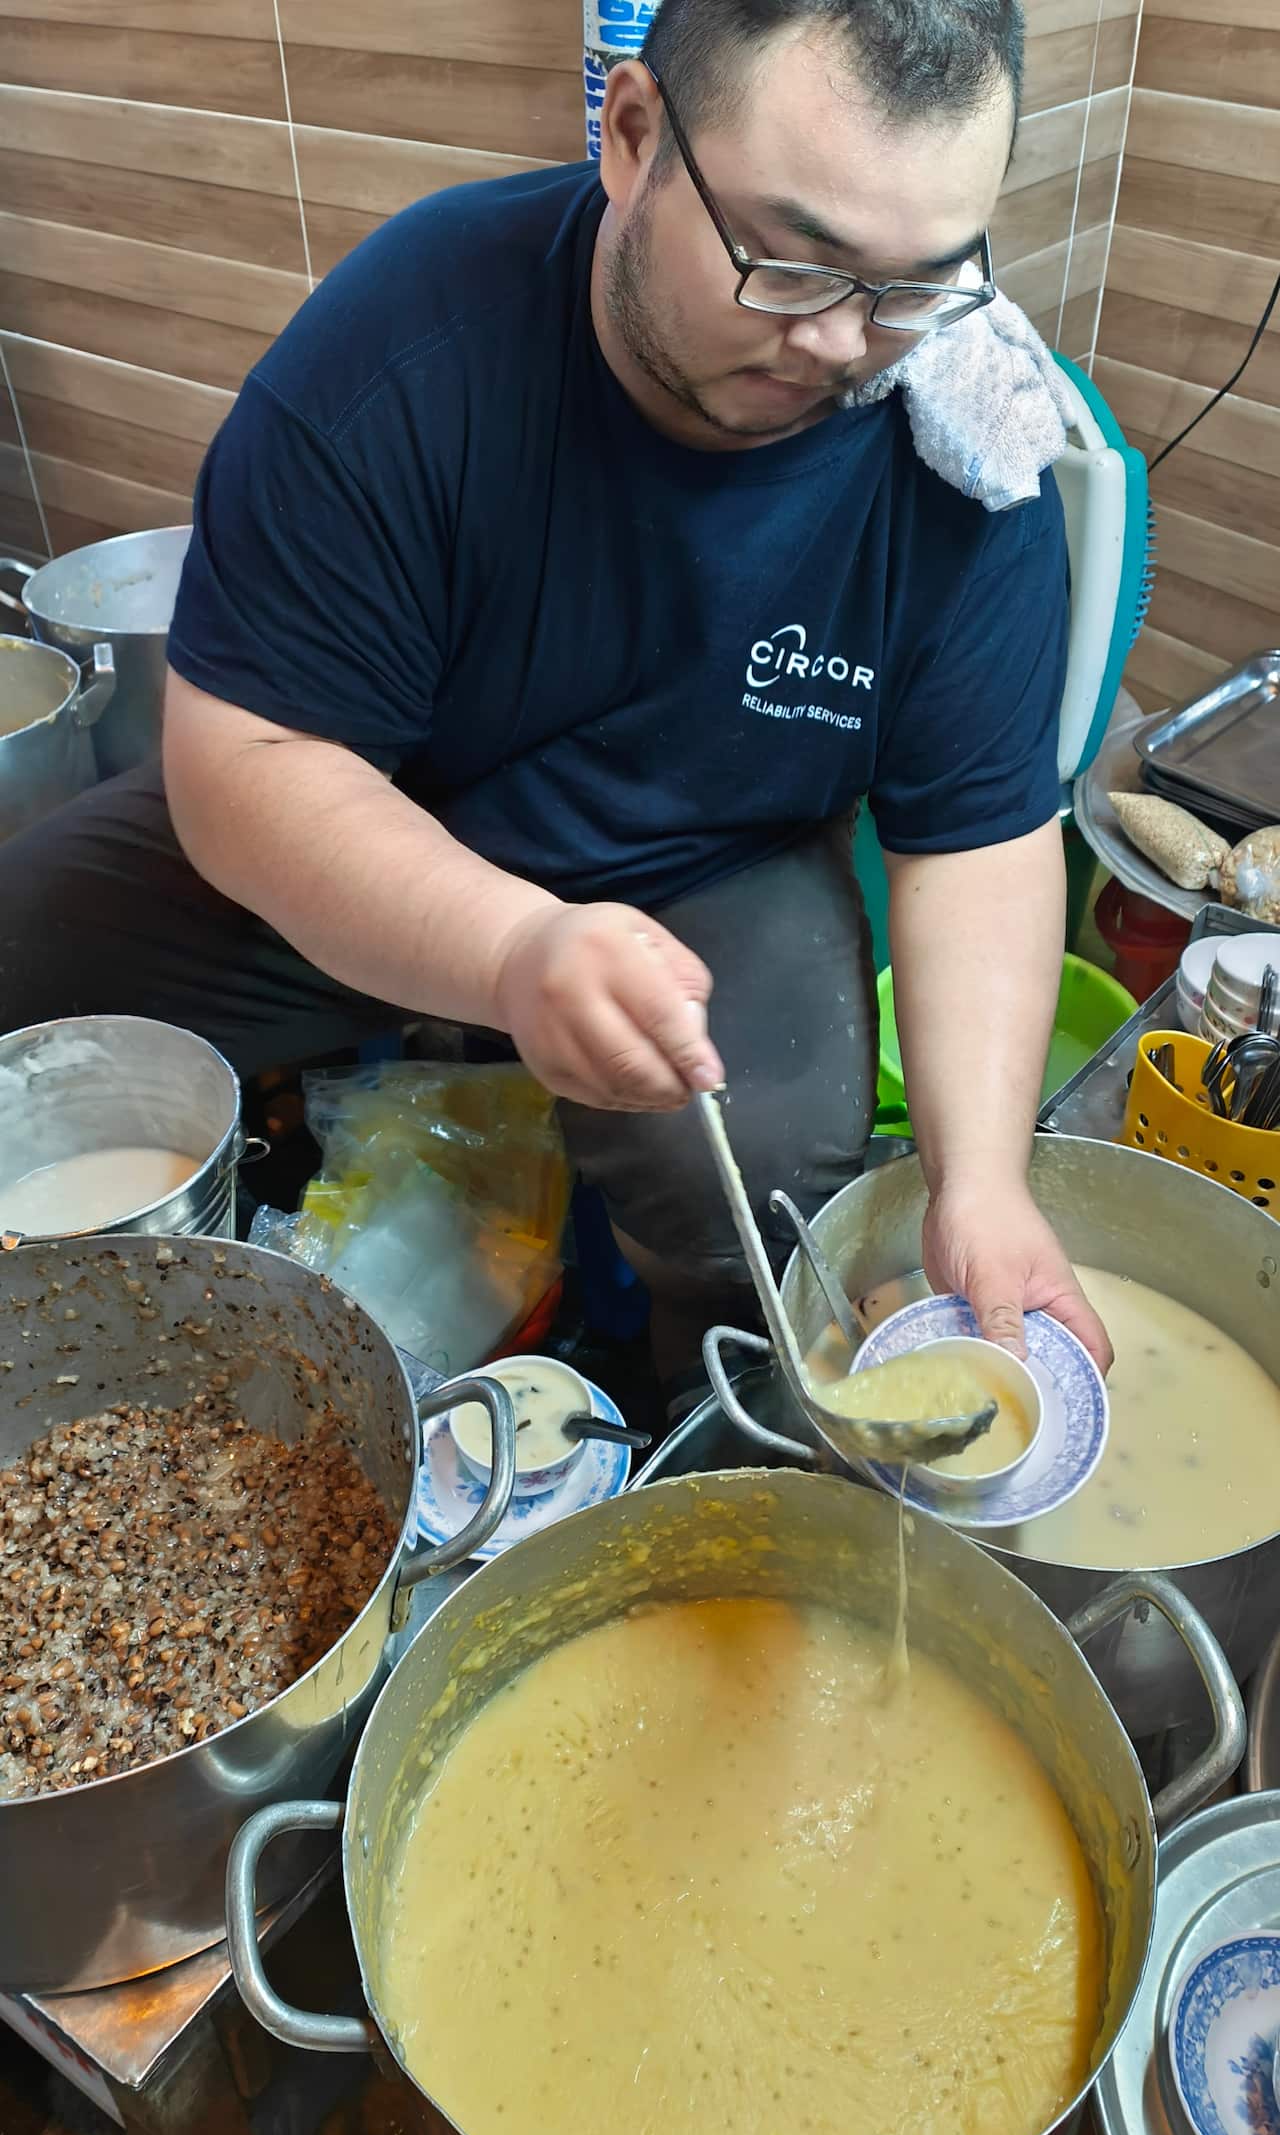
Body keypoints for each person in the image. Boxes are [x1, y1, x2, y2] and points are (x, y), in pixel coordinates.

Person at [0, 0, 1112, 1396]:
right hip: (376, 813)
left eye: (916, 281)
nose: (845, 346)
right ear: (633, 134)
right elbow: (252, 758)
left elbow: (981, 837)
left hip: (712, 869)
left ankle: (661, 1457)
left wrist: (984, 1183)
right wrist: (510, 950)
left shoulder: (961, 435)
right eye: (790, 263)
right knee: (25, 966)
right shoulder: (411, 344)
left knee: (769, 1209)